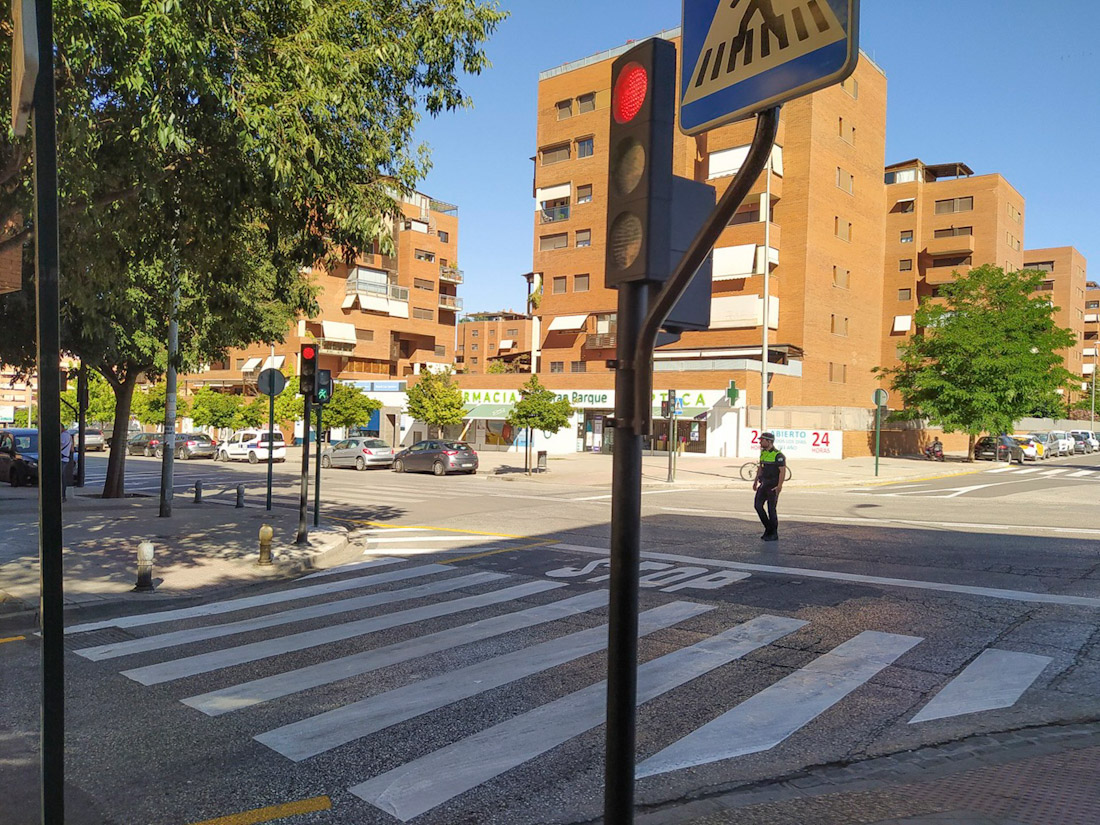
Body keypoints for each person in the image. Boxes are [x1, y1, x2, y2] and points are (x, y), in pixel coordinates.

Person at [752, 432, 786, 542]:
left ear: (769, 441)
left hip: (773, 485)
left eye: (762, 440)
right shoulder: (763, 453)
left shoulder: (778, 455)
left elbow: (782, 471)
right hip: (764, 484)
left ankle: (774, 533)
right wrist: (755, 481)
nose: (760, 442)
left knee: (771, 509)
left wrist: (779, 486)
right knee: (758, 506)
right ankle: (768, 528)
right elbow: (760, 468)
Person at [60, 428, 75, 502]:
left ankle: (62, 495)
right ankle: (63, 495)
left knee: (60, 478)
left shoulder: (63, 435)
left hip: (61, 458)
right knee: (63, 477)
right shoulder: (69, 435)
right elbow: (72, 449)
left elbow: (60, 444)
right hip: (65, 458)